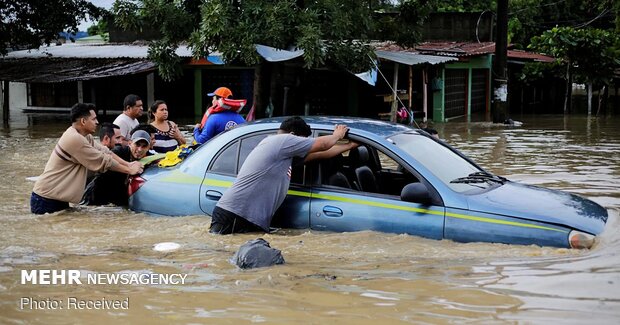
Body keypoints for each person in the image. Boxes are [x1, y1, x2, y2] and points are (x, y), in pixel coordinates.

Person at [209, 116, 357, 234]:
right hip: (236, 215)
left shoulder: (283, 153)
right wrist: (337, 135)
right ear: (293, 135)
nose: (303, 145)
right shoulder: (282, 141)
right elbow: (323, 144)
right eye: (302, 141)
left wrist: (348, 146)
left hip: (244, 217)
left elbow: (320, 153)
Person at [31, 103, 143, 214]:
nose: (97, 122)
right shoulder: (74, 139)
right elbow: (103, 161)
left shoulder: (84, 136)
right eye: (94, 119)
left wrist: (129, 164)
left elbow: (104, 151)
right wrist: (129, 170)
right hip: (45, 199)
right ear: (83, 121)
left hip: (57, 198)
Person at [81, 130, 153, 206]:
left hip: (118, 197)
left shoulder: (150, 158)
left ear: (148, 147)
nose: (140, 149)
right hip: (96, 194)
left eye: (144, 146)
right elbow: (105, 159)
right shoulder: (118, 152)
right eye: (137, 145)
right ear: (130, 143)